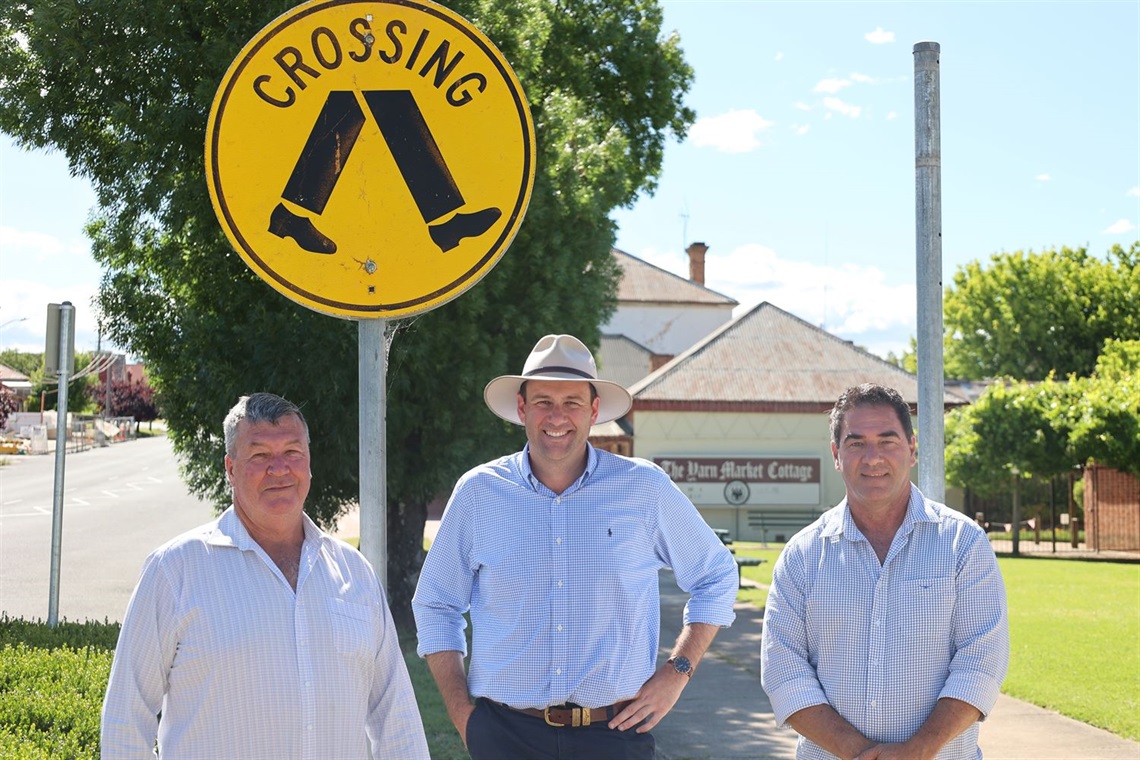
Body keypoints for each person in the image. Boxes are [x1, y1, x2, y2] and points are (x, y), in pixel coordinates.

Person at [413, 334, 738, 759]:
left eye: (572, 402)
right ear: (523, 408)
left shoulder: (643, 489)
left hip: (614, 734)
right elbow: (436, 603)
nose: (557, 416)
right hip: (505, 735)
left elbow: (716, 575)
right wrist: (464, 718)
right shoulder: (478, 494)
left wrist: (678, 671)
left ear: (594, 410)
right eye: (544, 401)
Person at [101, 392, 429, 759]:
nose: (279, 468)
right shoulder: (174, 570)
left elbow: (396, 718)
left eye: (292, 452)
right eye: (259, 455)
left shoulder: (355, 573)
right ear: (230, 469)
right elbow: (124, 721)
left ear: (308, 463)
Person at [760, 383, 1009, 760]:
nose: (872, 457)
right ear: (836, 454)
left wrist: (918, 750)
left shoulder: (963, 543)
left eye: (887, 441)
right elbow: (783, 671)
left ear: (911, 449)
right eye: (856, 443)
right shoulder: (803, 555)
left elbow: (982, 662)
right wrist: (859, 753)